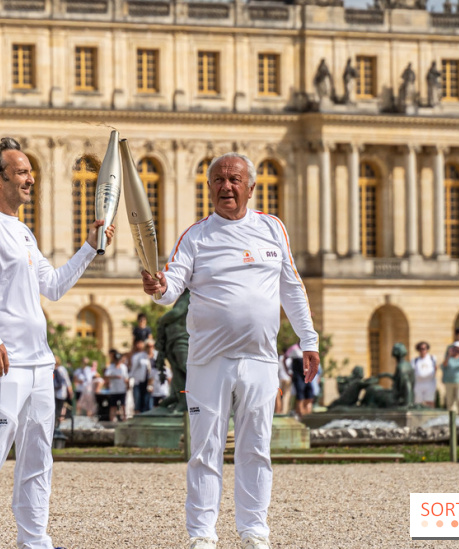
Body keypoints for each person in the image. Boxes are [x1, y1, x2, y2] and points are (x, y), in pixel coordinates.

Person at [142, 152, 319, 549]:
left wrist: (309, 340)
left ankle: (254, 530)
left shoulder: (273, 228)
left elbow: (292, 287)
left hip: (261, 359)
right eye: (219, 180)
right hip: (208, 361)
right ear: (209, 187)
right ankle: (202, 533)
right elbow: (171, 288)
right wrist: (158, 287)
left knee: (256, 448)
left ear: (250, 188)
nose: (226, 186)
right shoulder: (196, 236)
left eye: (235, 179)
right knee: (205, 449)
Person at [0, 137, 114, 549]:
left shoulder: (24, 232)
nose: (30, 179)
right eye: (22, 172)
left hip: (40, 364)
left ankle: (34, 539)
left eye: (30, 172)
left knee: (39, 457)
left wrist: (90, 247)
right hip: (3, 363)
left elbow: (54, 286)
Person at [441, 341, 459, 415]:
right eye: (455, 348)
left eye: (458, 349)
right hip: (449, 382)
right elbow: (444, 365)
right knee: (450, 400)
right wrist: (449, 355)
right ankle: (452, 416)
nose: (456, 350)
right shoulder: (449, 358)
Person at [288, 344, 314, 418]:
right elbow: (286, 359)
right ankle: (300, 413)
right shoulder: (294, 350)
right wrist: (288, 372)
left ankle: (307, 413)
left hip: (307, 375)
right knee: (300, 395)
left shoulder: (309, 349)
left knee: (309, 394)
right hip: (298, 376)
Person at [129, 339, 153, 414]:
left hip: (151, 383)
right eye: (148, 346)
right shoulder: (138, 356)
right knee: (138, 402)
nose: (150, 348)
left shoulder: (155, 356)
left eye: (151, 346)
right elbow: (133, 369)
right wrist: (130, 379)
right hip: (139, 382)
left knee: (148, 402)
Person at [103, 349, 128, 421]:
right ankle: (112, 420)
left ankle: (124, 419)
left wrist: (127, 385)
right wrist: (115, 377)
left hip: (122, 389)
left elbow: (126, 377)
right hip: (114, 390)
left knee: (123, 405)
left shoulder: (123, 367)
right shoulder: (111, 367)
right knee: (113, 406)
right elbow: (106, 376)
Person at [411, 342, 436, 407]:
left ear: (427, 349)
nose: (422, 350)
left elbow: (436, 368)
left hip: (429, 384)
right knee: (417, 403)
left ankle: (431, 414)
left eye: (424, 348)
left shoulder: (432, 358)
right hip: (418, 384)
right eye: (421, 349)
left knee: (430, 402)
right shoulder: (415, 360)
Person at [53, 356, 73, 428]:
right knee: (59, 408)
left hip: (56, 392)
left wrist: (70, 391)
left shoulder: (56, 369)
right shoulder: (61, 369)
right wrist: (70, 391)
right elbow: (67, 381)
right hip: (60, 393)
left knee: (58, 408)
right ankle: (57, 424)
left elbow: (66, 381)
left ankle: (57, 424)